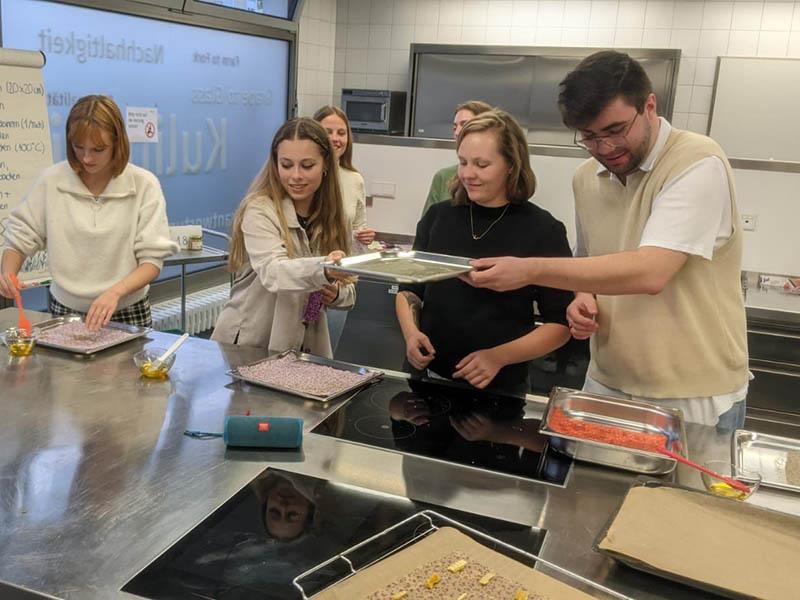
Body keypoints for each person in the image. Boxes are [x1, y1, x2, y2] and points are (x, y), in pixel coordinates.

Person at [463, 51, 749, 430]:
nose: (605, 148)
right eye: (591, 137)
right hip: (608, 381)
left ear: (649, 105)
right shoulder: (587, 177)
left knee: (681, 492)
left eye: (615, 130)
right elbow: (590, 264)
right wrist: (583, 299)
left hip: (693, 393)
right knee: (592, 489)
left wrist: (529, 270)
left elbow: (651, 272)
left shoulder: (696, 162)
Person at [395, 109, 573, 394]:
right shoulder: (439, 217)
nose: (468, 174)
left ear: (511, 165)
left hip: (501, 389)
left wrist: (497, 358)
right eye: (463, 162)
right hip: (427, 379)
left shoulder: (543, 229)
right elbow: (409, 290)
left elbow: (560, 325)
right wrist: (411, 333)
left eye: (482, 164)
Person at [0, 94, 176, 330]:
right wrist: (8, 272)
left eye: (98, 149)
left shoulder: (144, 185)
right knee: (65, 369)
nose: (86, 158)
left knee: (129, 369)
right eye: (78, 147)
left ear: (118, 143)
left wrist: (114, 293)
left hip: (126, 309)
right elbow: (20, 237)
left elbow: (152, 262)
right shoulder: (51, 182)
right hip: (65, 309)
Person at [211, 117, 354, 357]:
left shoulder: (335, 217)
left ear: (326, 164)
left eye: (307, 165)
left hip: (303, 345)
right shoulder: (259, 210)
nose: (295, 175)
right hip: (248, 342)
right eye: (286, 165)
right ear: (275, 164)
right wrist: (325, 270)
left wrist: (337, 292)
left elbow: (350, 290)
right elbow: (274, 273)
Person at [313, 105, 376, 354]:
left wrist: (364, 237)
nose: (336, 138)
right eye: (328, 131)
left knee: (325, 359)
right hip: (304, 279)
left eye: (342, 132)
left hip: (337, 284)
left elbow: (357, 231)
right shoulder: (305, 176)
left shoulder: (353, 179)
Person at [420, 100, 493, 217]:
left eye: (465, 124)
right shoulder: (443, 177)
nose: (458, 132)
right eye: (455, 127)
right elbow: (427, 228)